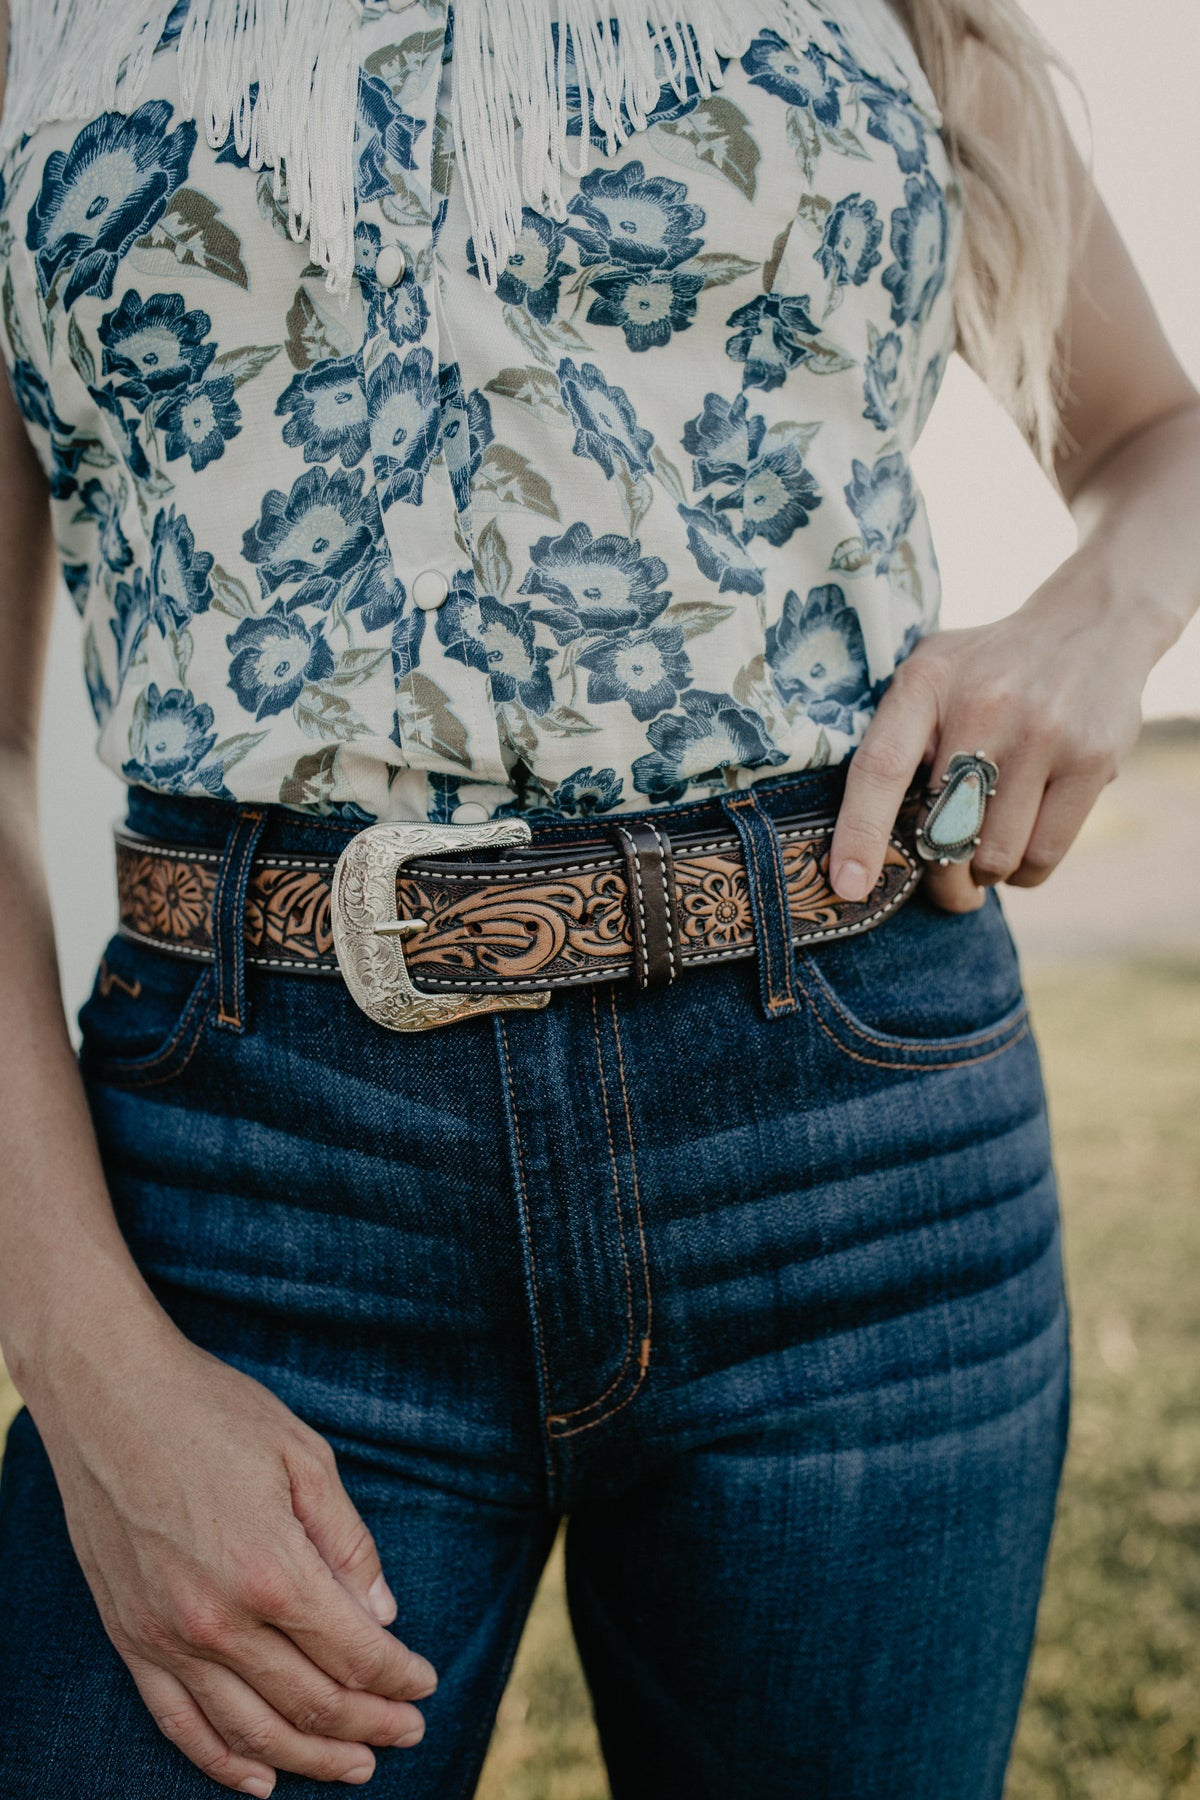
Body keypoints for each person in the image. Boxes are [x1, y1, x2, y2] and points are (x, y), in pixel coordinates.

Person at [0, 0, 1195, 1794]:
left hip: (859, 1153)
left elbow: (1158, 437)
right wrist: (82, 1370)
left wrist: (1095, 626)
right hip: (250, 1204)